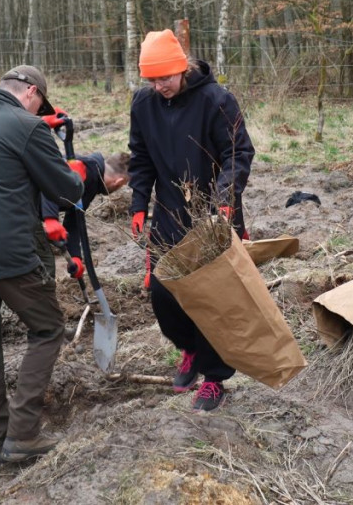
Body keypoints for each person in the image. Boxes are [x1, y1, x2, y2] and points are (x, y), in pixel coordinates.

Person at [0, 65, 84, 465]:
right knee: (48, 328)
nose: (41, 113)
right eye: (40, 105)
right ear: (31, 92)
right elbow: (66, 191)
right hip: (7, 253)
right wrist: (72, 167)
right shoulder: (28, 126)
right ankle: (22, 434)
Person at [128, 29, 255, 413]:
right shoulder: (143, 104)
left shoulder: (216, 100)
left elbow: (238, 152)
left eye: (165, 77)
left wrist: (225, 201)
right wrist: (139, 203)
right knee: (164, 294)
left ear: (181, 68)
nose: (159, 86)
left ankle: (214, 377)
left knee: (215, 299)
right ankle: (189, 349)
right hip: (169, 213)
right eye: (151, 79)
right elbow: (140, 156)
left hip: (214, 213)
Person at [41, 151, 130, 282]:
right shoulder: (85, 169)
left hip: (28, 212)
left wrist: (75, 256)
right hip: (17, 205)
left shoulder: (93, 182)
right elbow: (48, 181)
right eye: (123, 184)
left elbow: (74, 218)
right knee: (42, 270)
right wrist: (50, 218)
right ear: (119, 181)